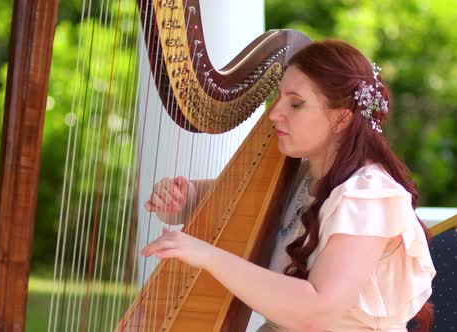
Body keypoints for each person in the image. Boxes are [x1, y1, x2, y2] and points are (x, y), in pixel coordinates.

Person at [142, 39, 436, 332]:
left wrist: (206, 255)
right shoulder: (302, 176)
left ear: (342, 118)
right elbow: (212, 202)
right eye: (279, 98)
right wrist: (181, 198)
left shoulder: (368, 196)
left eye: (296, 103)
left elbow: (316, 312)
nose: (274, 114)